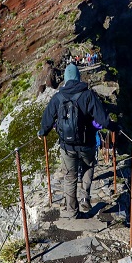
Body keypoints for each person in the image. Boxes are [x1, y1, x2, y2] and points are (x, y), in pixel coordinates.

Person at [38, 63, 116, 217]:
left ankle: (73, 212)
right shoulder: (88, 95)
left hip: (67, 146)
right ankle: (85, 197)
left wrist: (42, 132)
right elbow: (103, 119)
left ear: (66, 79)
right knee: (88, 167)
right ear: (78, 77)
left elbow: (47, 119)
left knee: (70, 176)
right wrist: (115, 127)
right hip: (87, 143)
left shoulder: (58, 97)